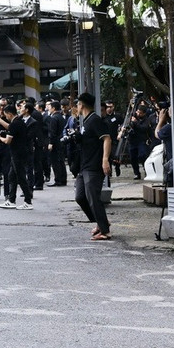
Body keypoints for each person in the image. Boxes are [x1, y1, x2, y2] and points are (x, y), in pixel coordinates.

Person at [74, 92, 112, 240]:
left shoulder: (95, 120)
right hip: (84, 166)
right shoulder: (86, 121)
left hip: (94, 166)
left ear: (81, 104)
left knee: (93, 198)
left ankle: (105, 231)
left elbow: (107, 139)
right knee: (80, 197)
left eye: (77, 104)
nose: (76, 107)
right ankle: (101, 222)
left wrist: (105, 159)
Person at [0, 104, 33, 210]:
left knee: (21, 177)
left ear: (9, 114)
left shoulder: (15, 124)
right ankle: (11, 200)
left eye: (7, 115)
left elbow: (8, 141)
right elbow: (10, 128)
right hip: (20, 152)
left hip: (17, 154)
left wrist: (0, 137)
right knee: (11, 176)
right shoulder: (19, 122)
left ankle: (28, 201)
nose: (7, 118)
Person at [46, 101, 68, 186]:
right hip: (60, 141)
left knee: (55, 162)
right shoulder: (61, 117)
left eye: (50, 107)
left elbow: (52, 132)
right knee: (61, 161)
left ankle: (58, 180)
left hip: (55, 142)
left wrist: (51, 142)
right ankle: (63, 179)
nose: (49, 109)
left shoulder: (54, 118)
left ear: (54, 108)